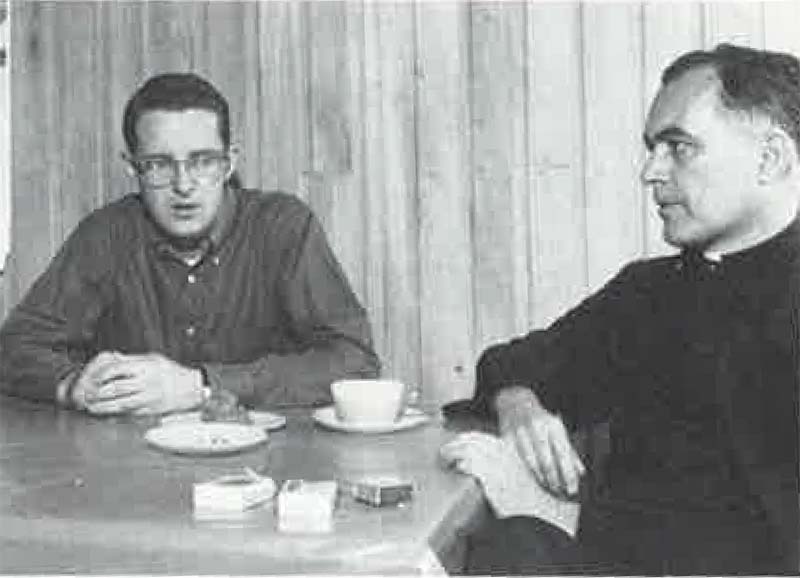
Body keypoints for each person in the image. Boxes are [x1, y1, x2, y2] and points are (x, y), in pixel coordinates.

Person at [447, 43, 800, 575]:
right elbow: (511, 362)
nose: (650, 173)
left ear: (770, 159)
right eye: (653, 148)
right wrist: (518, 403)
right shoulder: (649, 293)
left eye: (679, 147)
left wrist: (558, 514)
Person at [0, 72, 380, 415]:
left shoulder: (284, 228)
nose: (183, 185)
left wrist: (202, 385)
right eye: (160, 164)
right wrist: (70, 384)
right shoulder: (106, 234)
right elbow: (13, 347)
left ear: (229, 163)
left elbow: (355, 360)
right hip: (133, 469)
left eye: (202, 161)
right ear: (132, 167)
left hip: (265, 466)